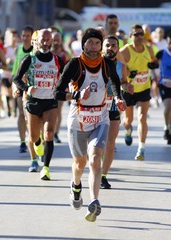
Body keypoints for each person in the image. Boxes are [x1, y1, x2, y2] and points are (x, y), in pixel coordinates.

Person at [54, 28, 126, 222]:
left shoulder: (107, 64)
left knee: (95, 159)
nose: (94, 47)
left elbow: (115, 82)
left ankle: (94, 201)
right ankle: (76, 185)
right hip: (78, 120)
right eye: (90, 43)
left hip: (100, 118)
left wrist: (118, 98)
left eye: (97, 43)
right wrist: (77, 95)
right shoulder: (74, 65)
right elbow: (57, 92)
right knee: (80, 164)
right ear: (83, 44)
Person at [13, 29, 64, 180]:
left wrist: (67, 88)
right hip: (33, 101)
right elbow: (16, 78)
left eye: (48, 39)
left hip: (50, 101)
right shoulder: (30, 59)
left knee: (49, 133)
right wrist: (26, 88)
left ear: (51, 41)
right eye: (43, 39)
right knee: (34, 136)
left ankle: (46, 168)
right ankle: (37, 143)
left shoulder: (57, 60)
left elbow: (68, 76)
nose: (45, 42)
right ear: (37, 40)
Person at [120, 24, 159, 160]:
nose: (140, 36)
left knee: (142, 117)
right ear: (131, 37)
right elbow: (121, 69)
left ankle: (141, 149)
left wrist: (154, 65)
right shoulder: (125, 50)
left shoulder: (148, 49)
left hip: (144, 88)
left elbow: (154, 61)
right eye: (136, 34)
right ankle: (128, 130)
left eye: (141, 34)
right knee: (128, 120)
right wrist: (130, 74)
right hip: (129, 89)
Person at [101, 36, 133, 189]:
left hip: (113, 105)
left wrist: (128, 87)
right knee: (96, 143)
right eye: (107, 45)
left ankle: (103, 175)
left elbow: (124, 83)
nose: (110, 48)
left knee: (110, 142)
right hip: (95, 107)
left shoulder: (121, 66)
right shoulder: (95, 63)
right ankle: (96, 166)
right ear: (102, 47)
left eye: (114, 45)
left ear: (118, 48)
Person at [12, 26, 34, 153]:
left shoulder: (35, 51)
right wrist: (14, 87)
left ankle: (35, 138)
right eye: (23, 35)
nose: (25, 38)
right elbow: (15, 73)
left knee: (31, 115)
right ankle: (22, 141)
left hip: (32, 87)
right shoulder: (18, 49)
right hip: (20, 86)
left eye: (28, 36)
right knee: (21, 113)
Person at [51, 31, 71, 143]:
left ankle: (55, 133)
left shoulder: (66, 54)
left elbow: (70, 71)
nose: (56, 42)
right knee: (50, 109)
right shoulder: (47, 53)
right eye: (54, 39)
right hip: (48, 86)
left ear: (61, 41)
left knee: (58, 109)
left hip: (61, 86)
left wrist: (68, 85)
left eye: (58, 40)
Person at [156, 33, 171, 144]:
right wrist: (155, 76)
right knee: (168, 106)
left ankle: (169, 130)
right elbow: (152, 64)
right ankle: (166, 126)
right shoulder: (161, 53)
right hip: (164, 84)